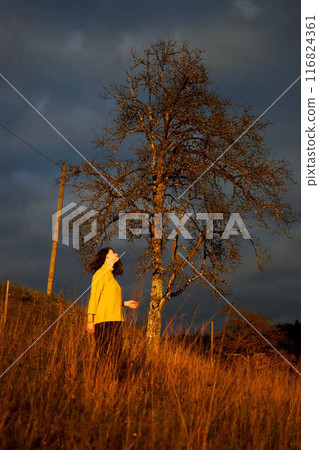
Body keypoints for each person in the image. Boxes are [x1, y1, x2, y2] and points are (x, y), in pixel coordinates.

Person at [86, 247, 139, 378]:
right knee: (105, 355)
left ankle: (112, 383)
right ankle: (101, 381)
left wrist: (125, 303)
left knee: (115, 356)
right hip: (104, 322)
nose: (116, 254)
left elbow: (109, 299)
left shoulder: (111, 275)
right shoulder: (100, 274)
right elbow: (94, 297)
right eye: (112, 252)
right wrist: (90, 321)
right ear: (106, 257)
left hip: (116, 321)